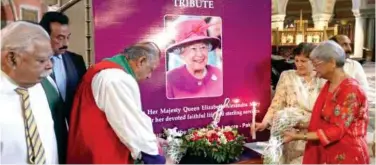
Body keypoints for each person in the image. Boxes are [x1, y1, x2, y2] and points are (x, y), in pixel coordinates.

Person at [66, 42, 167, 164]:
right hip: (103, 153)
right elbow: (128, 122)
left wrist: (152, 139)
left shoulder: (106, 70)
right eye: (150, 69)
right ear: (141, 61)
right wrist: (153, 154)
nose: (149, 76)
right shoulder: (117, 78)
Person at [283, 40, 369, 164]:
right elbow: (325, 120)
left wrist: (298, 136)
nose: (314, 68)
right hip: (329, 152)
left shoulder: (350, 90)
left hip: (347, 155)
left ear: (332, 62)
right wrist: (299, 125)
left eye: (316, 64)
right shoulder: (330, 84)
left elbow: (337, 130)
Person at [0, 21, 62, 164]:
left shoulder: (43, 87)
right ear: (12, 58)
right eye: (41, 60)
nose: (49, 67)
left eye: (50, 58)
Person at [254, 43, 325, 164]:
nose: (299, 64)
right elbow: (277, 103)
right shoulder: (287, 76)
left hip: (313, 133)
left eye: (303, 61)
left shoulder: (322, 79)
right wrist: (265, 123)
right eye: (296, 60)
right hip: (289, 133)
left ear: (314, 61)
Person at [39, 11, 87, 124]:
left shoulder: (76, 61)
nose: (66, 43)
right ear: (44, 36)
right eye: (60, 38)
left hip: (72, 130)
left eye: (68, 37)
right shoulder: (32, 64)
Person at [166, 19, 223, 99]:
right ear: (181, 54)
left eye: (203, 47)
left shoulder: (217, 73)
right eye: (193, 49)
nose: (200, 54)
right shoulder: (170, 78)